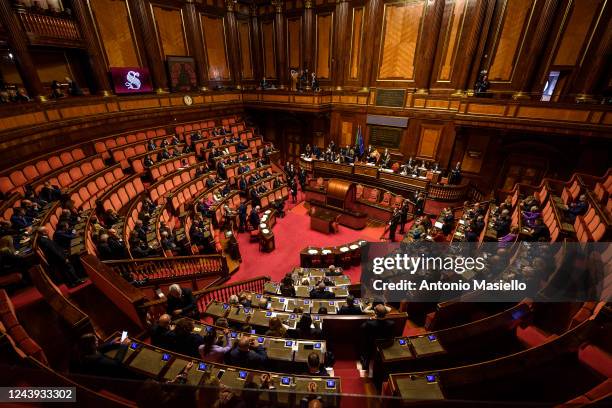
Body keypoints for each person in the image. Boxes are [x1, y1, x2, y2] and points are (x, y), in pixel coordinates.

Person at [359, 304, 395, 370]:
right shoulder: (391, 323)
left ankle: (365, 363)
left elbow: (362, 327)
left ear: (375, 313)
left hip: (372, 345)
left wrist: (370, 319)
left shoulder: (370, 323)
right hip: (386, 344)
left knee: (364, 341)